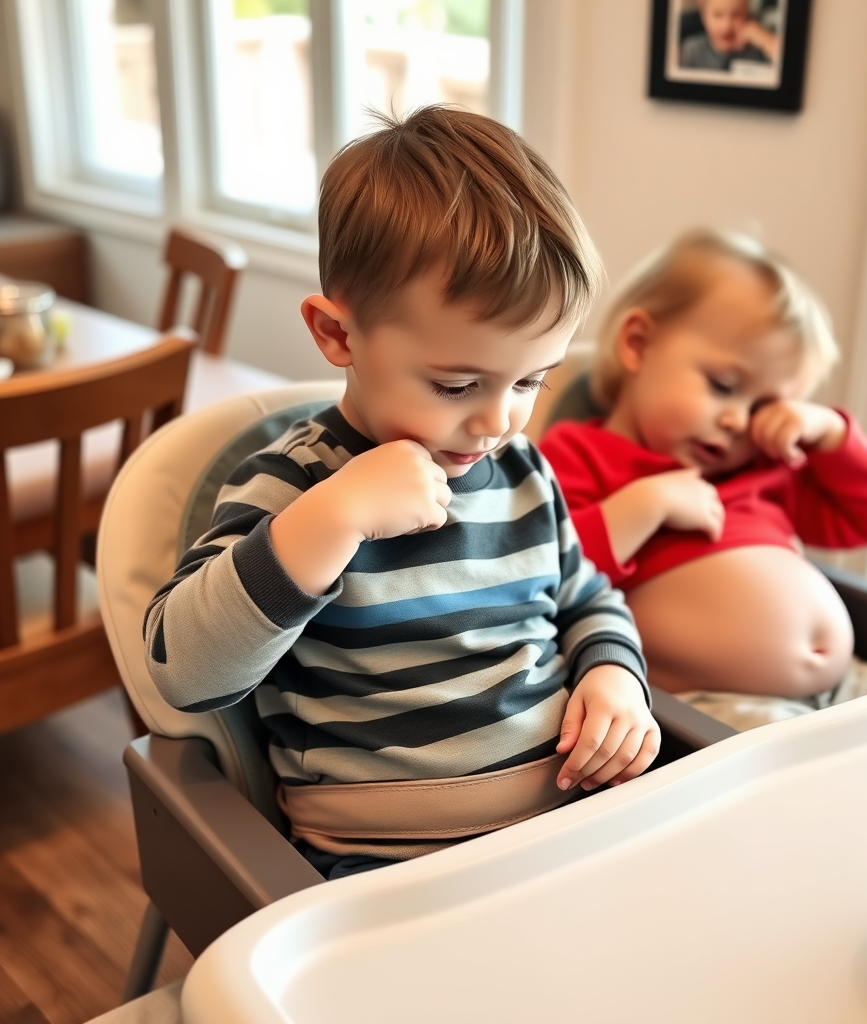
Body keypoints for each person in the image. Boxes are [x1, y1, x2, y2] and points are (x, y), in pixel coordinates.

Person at [143, 106, 657, 880]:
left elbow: (586, 598)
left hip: (570, 829)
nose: (495, 420)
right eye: (455, 384)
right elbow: (183, 671)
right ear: (338, 336)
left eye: (528, 380)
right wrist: (332, 519)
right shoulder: (294, 488)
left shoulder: (522, 474)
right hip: (387, 873)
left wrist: (612, 672)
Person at [539, 230, 867, 724]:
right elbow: (543, 570)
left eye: (763, 405)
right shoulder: (579, 453)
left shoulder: (763, 465)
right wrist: (644, 506)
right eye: (723, 386)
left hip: (848, 682)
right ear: (638, 344)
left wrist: (830, 431)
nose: (739, 420)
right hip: (712, 705)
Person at [680, 0, 780, 71]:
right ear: (703, 17)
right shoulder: (692, 50)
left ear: (747, 15)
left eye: (736, 15)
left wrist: (764, 39)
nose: (726, 26)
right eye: (718, 15)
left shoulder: (758, 50)